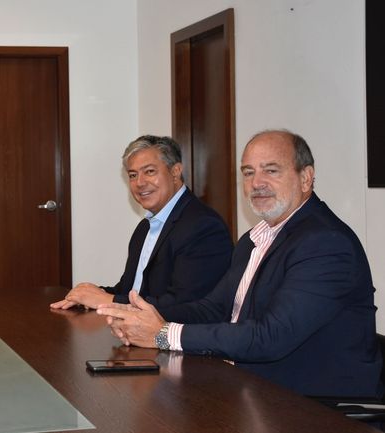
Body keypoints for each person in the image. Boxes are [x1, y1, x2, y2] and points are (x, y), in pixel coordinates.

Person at [97, 130, 382, 398]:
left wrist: (163, 334)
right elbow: (213, 308)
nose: (256, 183)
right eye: (248, 173)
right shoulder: (253, 239)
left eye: (270, 170)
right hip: (253, 384)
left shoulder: (326, 243)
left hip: (313, 403)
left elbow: (271, 337)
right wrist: (140, 319)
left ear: (306, 178)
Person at [51, 135, 232, 310]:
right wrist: (89, 295)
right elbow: (130, 291)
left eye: (149, 172)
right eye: (132, 175)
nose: (139, 183)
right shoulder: (145, 227)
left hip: (174, 338)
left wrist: (107, 300)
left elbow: (185, 304)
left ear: (175, 172)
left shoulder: (203, 226)